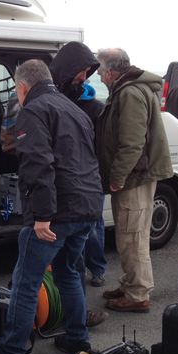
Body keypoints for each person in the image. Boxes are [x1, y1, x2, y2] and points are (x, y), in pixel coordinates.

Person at [0, 59, 103, 354]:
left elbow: (38, 163)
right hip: (87, 207)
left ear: (22, 87)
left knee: (26, 283)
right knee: (69, 273)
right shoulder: (73, 108)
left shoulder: (33, 111)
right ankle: (78, 339)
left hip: (57, 212)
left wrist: (42, 216)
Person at [95, 48, 173, 313]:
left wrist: (117, 177)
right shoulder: (128, 89)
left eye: (101, 70)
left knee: (132, 236)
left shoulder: (129, 93)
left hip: (134, 177)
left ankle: (137, 294)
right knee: (130, 233)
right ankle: (131, 284)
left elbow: (132, 144)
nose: (98, 74)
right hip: (136, 175)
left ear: (112, 72)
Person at [49, 41, 108, 326]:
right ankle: (68, 322)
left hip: (76, 197)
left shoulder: (87, 105)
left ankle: (74, 322)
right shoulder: (50, 103)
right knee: (48, 269)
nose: (84, 79)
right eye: (82, 72)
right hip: (58, 199)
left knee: (70, 266)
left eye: (88, 73)